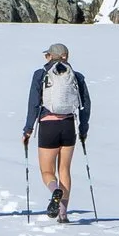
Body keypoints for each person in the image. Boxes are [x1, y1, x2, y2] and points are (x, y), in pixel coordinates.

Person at [21, 42, 90, 221]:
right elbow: (85, 105)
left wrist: (28, 130)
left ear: (51, 56)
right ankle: (63, 214)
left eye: (47, 55)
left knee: (46, 171)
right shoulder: (76, 76)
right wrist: (83, 129)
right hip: (68, 126)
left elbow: (33, 104)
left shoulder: (41, 74)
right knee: (64, 170)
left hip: (48, 126)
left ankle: (55, 191)